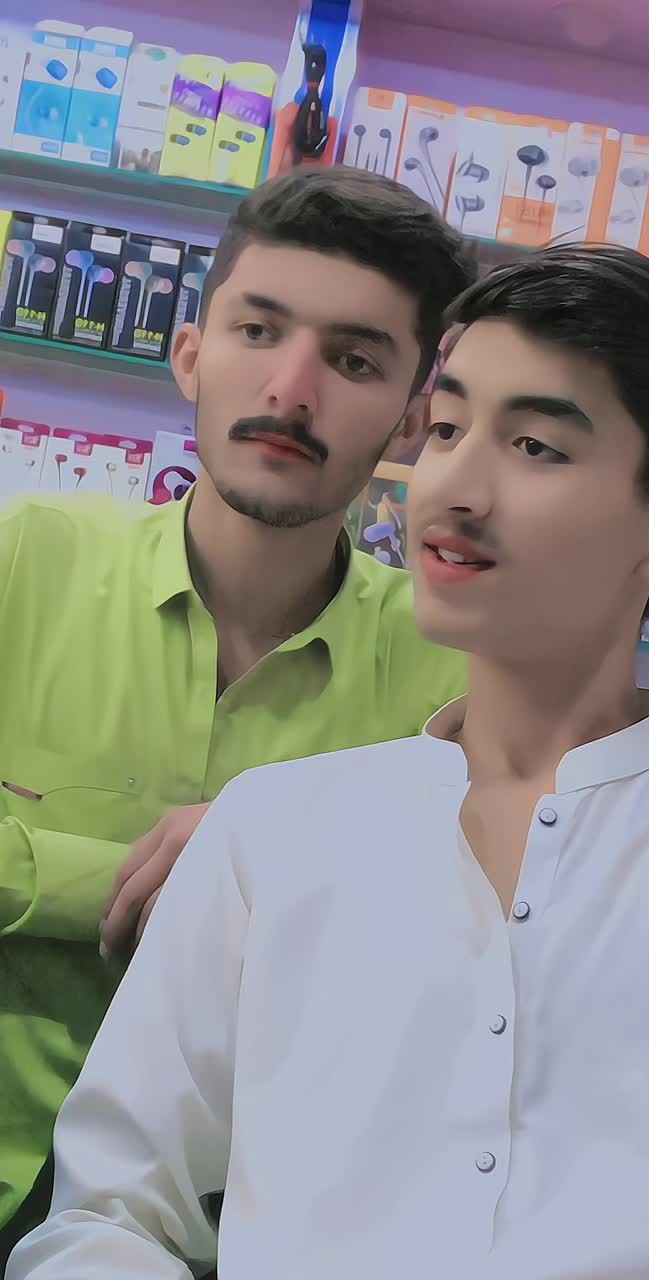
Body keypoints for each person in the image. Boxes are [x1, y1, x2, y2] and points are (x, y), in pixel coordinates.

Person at [11, 243, 649, 1280]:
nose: (455, 487)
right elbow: (110, 1211)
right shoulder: (275, 829)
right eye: (447, 429)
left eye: (534, 445)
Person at [0, 165, 475, 1249]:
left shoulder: (452, 674)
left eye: (354, 360)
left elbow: (457, 972)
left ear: (414, 419)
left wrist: (272, 848)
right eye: (258, 331)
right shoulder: (22, 560)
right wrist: (212, 885)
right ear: (189, 354)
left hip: (249, 1231)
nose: (293, 390)